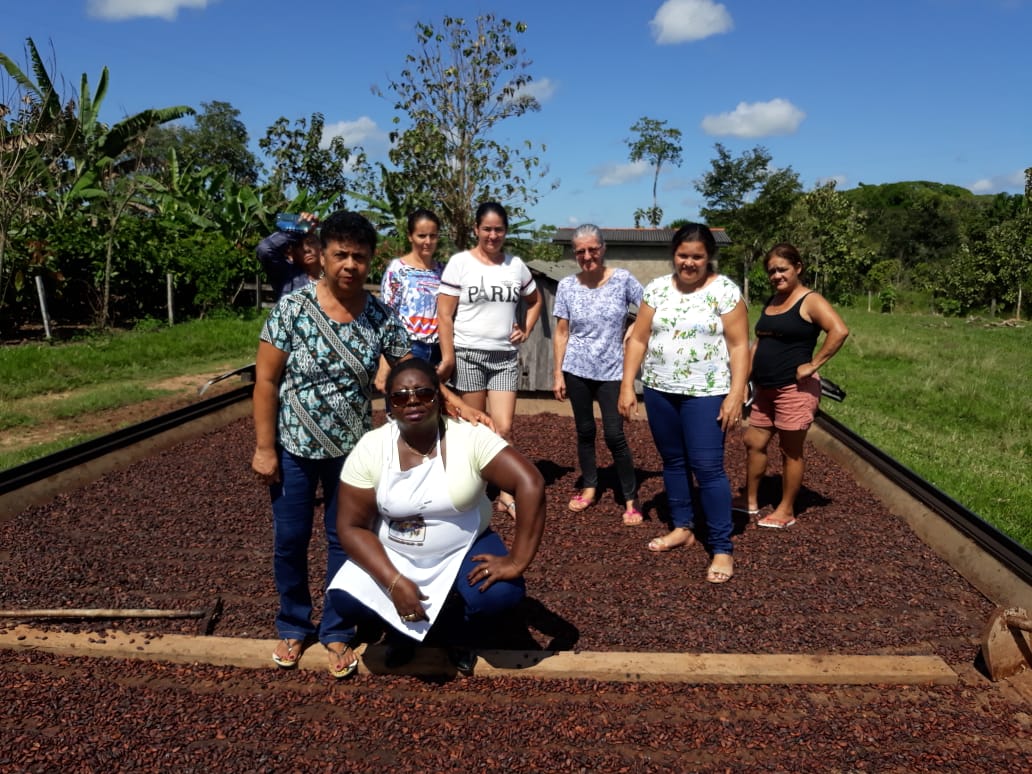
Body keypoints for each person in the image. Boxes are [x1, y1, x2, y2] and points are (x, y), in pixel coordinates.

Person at [251, 210, 485, 679]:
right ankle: (295, 624)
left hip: (354, 456)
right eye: (341, 255)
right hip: (294, 448)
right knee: (290, 541)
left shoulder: (379, 316)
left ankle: (338, 629)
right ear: (323, 256)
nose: (350, 266)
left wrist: (454, 403)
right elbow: (265, 378)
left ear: (371, 260)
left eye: (359, 257)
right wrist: (264, 447)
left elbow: (408, 374)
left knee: (348, 540)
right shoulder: (293, 309)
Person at [328, 358, 546, 672]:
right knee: (346, 601)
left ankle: (458, 630)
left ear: (440, 398)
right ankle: (401, 630)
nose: (413, 401)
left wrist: (516, 560)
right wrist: (393, 583)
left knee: (499, 595)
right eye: (401, 396)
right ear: (390, 405)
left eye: (424, 394)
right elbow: (350, 526)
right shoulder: (372, 447)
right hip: (397, 551)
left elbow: (531, 483)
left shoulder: (469, 437)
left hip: (463, 546)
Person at [618, 223, 749, 584]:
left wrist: (736, 394)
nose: (689, 262)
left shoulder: (725, 292)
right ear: (673, 255)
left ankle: (722, 546)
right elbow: (638, 340)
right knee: (673, 462)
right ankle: (682, 527)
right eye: (683, 255)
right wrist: (628, 385)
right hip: (661, 390)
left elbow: (739, 346)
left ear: (709, 258)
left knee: (708, 467)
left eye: (697, 256)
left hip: (706, 393)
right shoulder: (657, 290)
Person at [437, 201, 542, 516]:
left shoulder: (516, 266)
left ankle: (505, 493)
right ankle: (472, 490)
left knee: (504, 426)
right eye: (487, 229)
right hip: (469, 354)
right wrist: (448, 355)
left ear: (505, 231)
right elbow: (444, 313)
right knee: (474, 425)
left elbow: (534, 301)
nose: (493, 235)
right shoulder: (460, 263)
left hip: (504, 357)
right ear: (476, 230)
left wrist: (526, 328)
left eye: (499, 229)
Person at [738, 243, 850, 529]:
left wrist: (813, 365)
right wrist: (743, 381)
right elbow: (758, 343)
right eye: (771, 271)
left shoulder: (810, 300)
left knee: (790, 451)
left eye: (782, 269)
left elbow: (839, 330)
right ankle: (750, 501)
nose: (776, 275)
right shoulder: (772, 301)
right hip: (765, 389)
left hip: (793, 390)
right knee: (754, 443)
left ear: (798, 267)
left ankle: (786, 510)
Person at [552, 224, 644, 525]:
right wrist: (558, 373)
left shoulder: (622, 280)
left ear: (602, 248)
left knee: (615, 435)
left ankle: (630, 498)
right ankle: (590, 486)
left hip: (612, 370)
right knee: (585, 431)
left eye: (592, 249)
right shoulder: (567, 286)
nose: (587, 256)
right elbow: (562, 332)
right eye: (580, 251)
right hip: (576, 369)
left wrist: (633, 330)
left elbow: (650, 308)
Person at [374, 209, 444, 393]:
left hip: (438, 350)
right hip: (407, 348)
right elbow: (387, 316)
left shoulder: (443, 271)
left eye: (433, 236)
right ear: (410, 236)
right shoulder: (397, 270)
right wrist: (384, 363)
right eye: (422, 235)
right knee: (405, 406)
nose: (428, 241)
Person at [256, 213, 322, 300]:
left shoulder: (333, 277)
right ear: (292, 254)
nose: (306, 249)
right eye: (299, 246)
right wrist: (298, 229)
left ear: (321, 247)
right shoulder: (287, 275)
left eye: (311, 242)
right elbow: (264, 249)